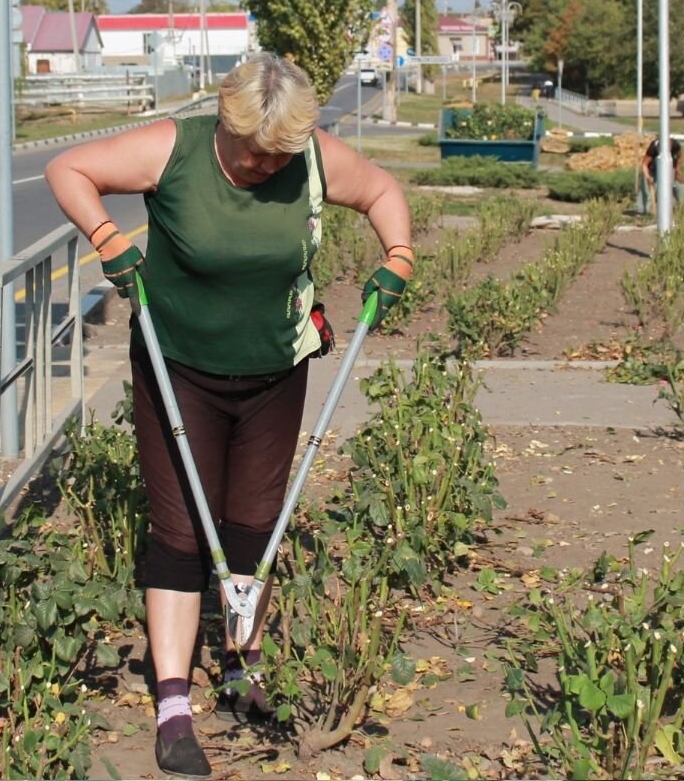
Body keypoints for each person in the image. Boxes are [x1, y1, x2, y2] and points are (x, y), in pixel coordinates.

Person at [44, 53, 413, 778]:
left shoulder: (306, 158)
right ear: (225, 120)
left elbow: (380, 191)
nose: (265, 165)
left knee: (255, 524)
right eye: (253, 151)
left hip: (276, 366)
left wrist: (398, 252)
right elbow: (69, 170)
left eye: (279, 155)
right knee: (183, 529)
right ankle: (175, 704)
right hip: (179, 363)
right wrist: (107, 236)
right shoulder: (173, 149)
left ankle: (246, 668)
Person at [636, 136, 684, 214]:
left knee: (679, 185)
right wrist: (648, 177)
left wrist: (678, 170)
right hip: (652, 169)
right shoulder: (653, 147)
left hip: (670, 167)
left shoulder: (675, 145)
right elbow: (644, 164)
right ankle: (644, 210)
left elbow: (680, 157)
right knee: (646, 188)